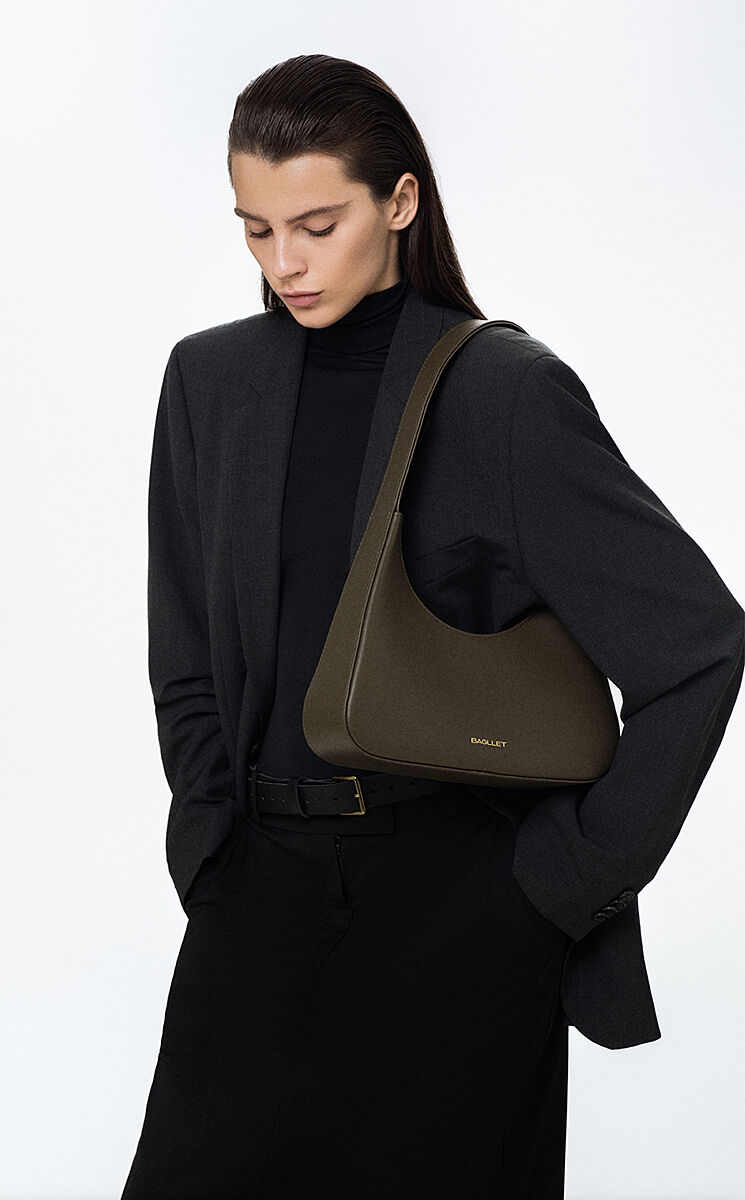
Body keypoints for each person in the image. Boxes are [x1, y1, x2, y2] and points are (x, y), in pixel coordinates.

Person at [120, 54, 745, 1200]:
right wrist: (212, 851)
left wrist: (556, 885)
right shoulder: (208, 382)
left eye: (317, 225)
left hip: (459, 912)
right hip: (258, 898)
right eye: (256, 229)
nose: (284, 262)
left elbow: (697, 645)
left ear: (400, 201)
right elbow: (185, 653)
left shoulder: (501, 395)